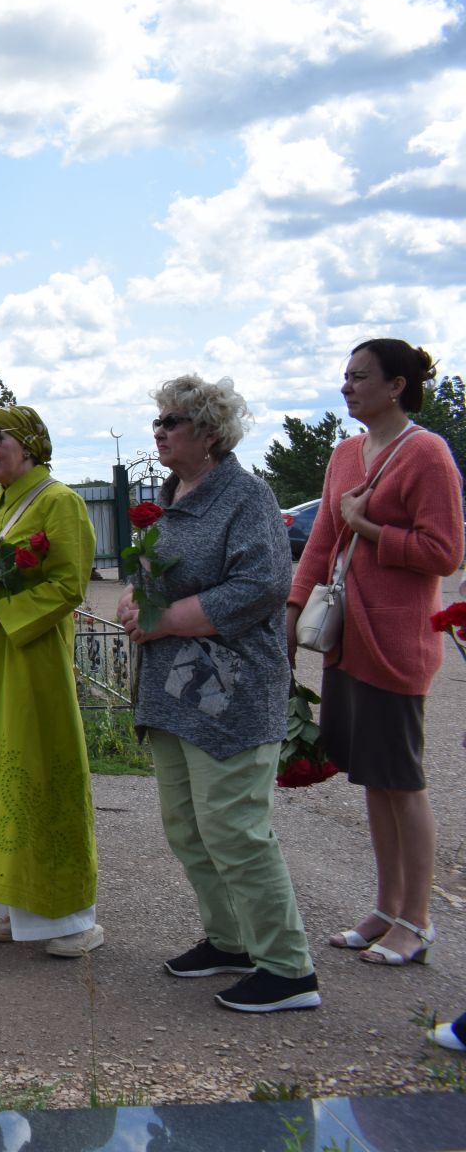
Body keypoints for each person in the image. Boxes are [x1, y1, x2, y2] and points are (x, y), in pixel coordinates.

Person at [121, 377, 319, 1011]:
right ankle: (230, 940)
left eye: (171, 421)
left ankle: (289, 969)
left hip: (231, 693)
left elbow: (261, 585)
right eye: (157, 420)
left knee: (235, 828)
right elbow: (155, 574)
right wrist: (134, 598)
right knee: (188, 828)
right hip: (175, 690)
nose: (159, 431)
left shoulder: (245, 496)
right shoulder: (174, 493)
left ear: (209, 432)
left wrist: (167, 619)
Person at [290, 339, 464, 966]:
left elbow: (444, 552)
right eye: (344, 376)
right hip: (346, 642)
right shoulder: (343, 454)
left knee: (402, 781)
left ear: (396, 386)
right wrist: (292, 606)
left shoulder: (427, 454)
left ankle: (417, 922)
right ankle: (387, 905)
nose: (346, 386)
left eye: (359, 377)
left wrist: (366, 527)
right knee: (370, 777)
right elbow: (320, 543)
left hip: (394, 644)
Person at [0, 406, 102, 957]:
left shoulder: (61, 502)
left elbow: (68, 585)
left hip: (30, 662)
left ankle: (71, 918)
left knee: (35, 770)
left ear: (29, 443)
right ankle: (8, 903)